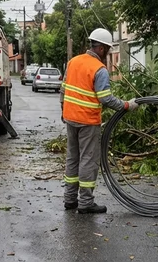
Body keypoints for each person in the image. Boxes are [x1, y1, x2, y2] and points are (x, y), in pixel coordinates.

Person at [60, 28, 137, 214]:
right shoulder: (99, 69)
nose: (108, 53)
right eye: (108, 49)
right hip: (88, 121)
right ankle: (86, 203)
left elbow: (63, 90)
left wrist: (64, 110)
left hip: (70, 118)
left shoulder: (73, 62)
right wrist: (126, 105)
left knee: (73, 159)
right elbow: (106, 99)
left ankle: (70, 199)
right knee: (88, 160)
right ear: (102, 48)